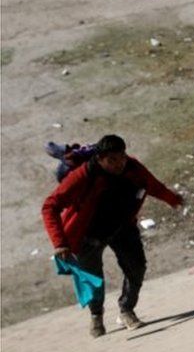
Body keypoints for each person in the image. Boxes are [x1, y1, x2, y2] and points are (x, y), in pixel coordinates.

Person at [41, 134, 184, 338]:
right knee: (93, 280)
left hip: (122, 227)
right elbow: (50, 207)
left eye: (121, 158)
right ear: (100, 159)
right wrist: (59, 243)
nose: (119, 164)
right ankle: (96, 316)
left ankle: (126, 310)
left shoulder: (133, 168)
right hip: (88, 235)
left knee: (137, 267)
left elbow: (151, 184)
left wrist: (172, 199)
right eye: (112, 160)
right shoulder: (83, 176)